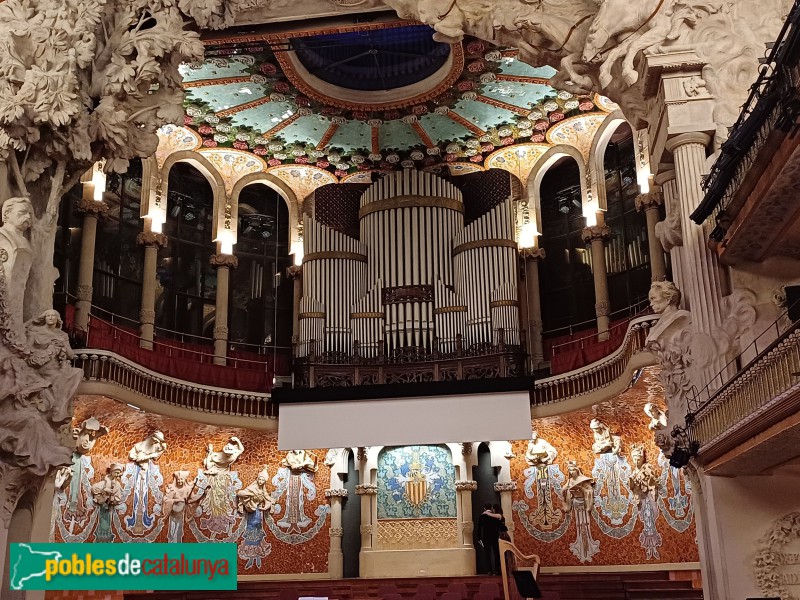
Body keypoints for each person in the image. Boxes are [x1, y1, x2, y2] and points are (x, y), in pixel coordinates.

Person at [477, 503, 503, 576]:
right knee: (496, 553)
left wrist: (479, 538)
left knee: (487, 554)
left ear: (484, 508)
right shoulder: (495, 516)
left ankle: (489, 570)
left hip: (486, 537)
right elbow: (499, 526)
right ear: (491, 508)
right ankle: (497, 570)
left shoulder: (482, 516)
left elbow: (479, 528)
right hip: (494, 536)